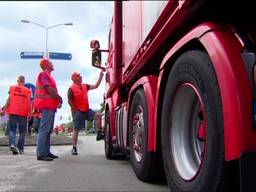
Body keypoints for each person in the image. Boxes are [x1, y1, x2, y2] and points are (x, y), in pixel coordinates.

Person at [68, 70, 104, 155]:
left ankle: (98, 133)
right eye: (78, 76)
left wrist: (101, 77)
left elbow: (95, 86)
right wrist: (75, 110)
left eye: (80, 75)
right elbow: (69, 101)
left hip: (86, 110)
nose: (80, 77)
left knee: (98, 115)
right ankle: (74, 148)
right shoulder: (71, 89)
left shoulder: (85, 86)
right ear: (74, 79)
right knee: (76, 130)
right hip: (78, 112)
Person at [34, 58, 62, 161]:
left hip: (50, 106)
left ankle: (46, 151)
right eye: (50, 63)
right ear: (45, 65)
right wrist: (59, 98)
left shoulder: (49, 76)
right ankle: (41, 153)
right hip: (46, 106)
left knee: (48, 130)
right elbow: (49, 89)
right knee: (44, 130)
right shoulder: (44, 75)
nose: (52, 64)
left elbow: (51, 91)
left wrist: (57, 101)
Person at [0, 75, 31, 155]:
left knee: (12, 130)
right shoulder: (27, 90)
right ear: (24, 81)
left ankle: (12, 145)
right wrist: (30, 112)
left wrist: (4, 110)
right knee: (22, 131)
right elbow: (28, 102)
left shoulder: (12, 88)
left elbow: (9, 99)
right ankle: (20, 148)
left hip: (13, 112)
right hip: (23, 113)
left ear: (17, 81)